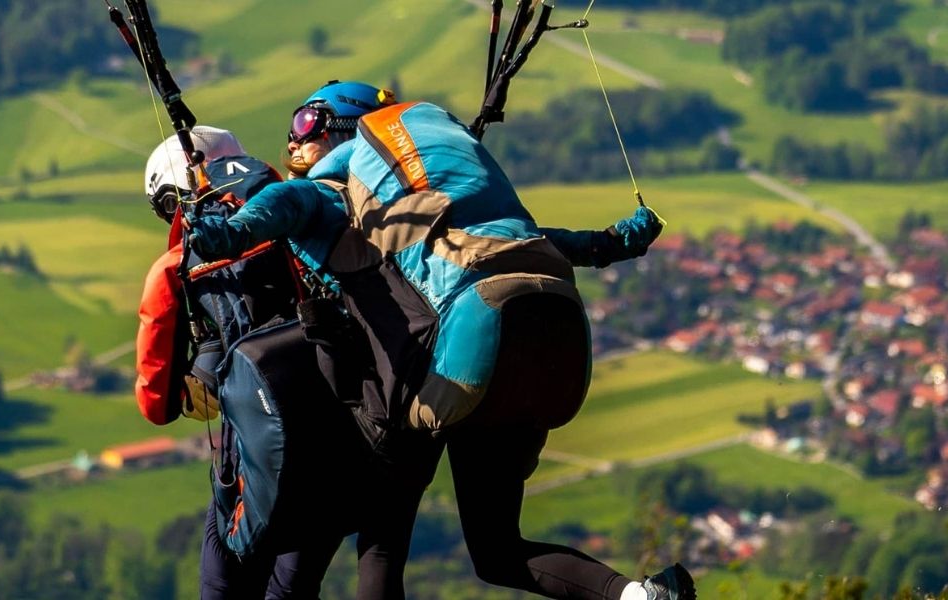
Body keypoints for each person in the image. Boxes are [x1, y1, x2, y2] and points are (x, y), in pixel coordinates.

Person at [192, 81, 696, 600]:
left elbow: (285, 201)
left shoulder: (337, 191)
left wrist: (232, 233)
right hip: (555, 337)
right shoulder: (456, 212)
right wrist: (619, 241)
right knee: (497, 549)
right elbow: (565, 244)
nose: (293, 142)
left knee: (382, 544)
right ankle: (639, 596)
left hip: (457, 356)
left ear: (345, 126)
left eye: (305, 123)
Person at [132, 126, 341, 599]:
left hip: (253, 443)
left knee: (222, 584)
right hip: (338, 427)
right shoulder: (300, 207)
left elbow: (155, 400)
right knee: (293, 587)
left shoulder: (181, 261)